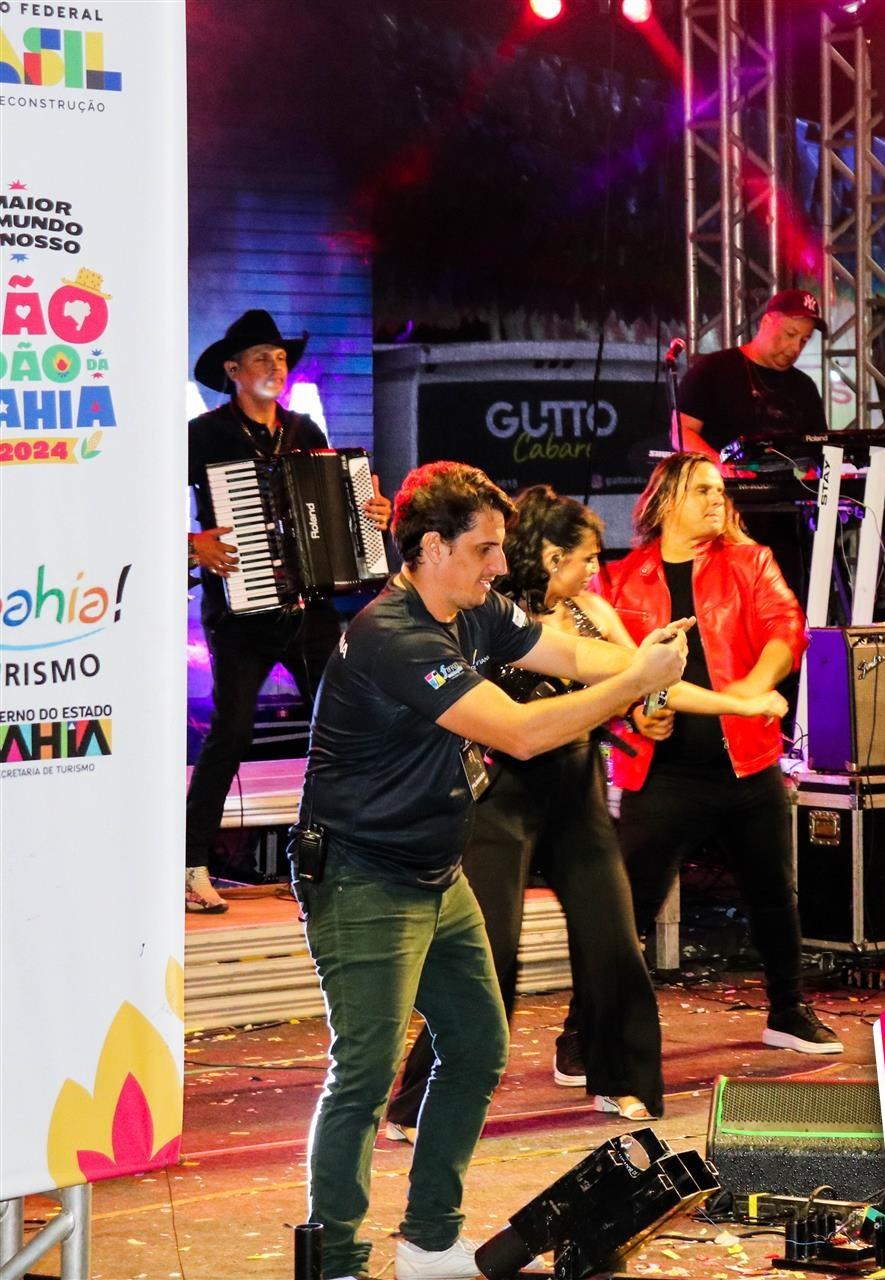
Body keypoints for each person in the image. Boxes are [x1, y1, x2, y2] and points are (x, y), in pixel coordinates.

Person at [297, 462, 688, 1280]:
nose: (501, 565)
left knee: (477, 1045)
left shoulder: (474, 609)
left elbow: (563, 650)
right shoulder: (395, 636)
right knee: (364, 1074)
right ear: (431, 548)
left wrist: (635, 664)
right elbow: (517, 732)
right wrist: (634, 685)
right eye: (485, 549)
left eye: (501, 548)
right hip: (364, 877)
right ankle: (334, 1260)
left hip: (434, 872)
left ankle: (429, 1242)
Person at [384, 486, 689, 1138]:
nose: (595, 570)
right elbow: (513, 728)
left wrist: (653, 689)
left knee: (613, 940)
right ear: (550, 555)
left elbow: (626, 675)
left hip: (576, 792)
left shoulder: (589, 612)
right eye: (585, 558)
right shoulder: (487, 612)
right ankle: (423, 1099)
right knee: (488, 953)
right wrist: (646, 683)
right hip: (500, 796)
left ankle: (623, 1078)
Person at [584, 451, 841, 1056]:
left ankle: (788, 1011)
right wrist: (638, 712)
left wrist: (748, 693)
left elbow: (787, 628)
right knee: (628, 905)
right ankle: (587, 1028)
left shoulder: (750, 562)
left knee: (773, 893)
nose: (717, 499)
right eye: (702, 489)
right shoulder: (621, 578)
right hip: (662, 771)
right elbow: (608, 671)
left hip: (746, 763)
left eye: (720, 490)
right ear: (665, 500)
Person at [184, 309, 390, 913]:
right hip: (240, 614)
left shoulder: (305, 430)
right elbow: (137, 500)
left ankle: (338, 856)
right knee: (232, 732)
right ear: (232, 370)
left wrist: (373, 516)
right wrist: (191, 545)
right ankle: (190, 864)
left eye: (280, 358)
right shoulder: (203, 435)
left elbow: (341, 510)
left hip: (310, 608)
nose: (276, 367)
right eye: (261, 358)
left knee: (345, 726)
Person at [671, 289, 826, 461]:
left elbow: (822, 448)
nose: (796, 347)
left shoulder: (804, 387)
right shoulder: (712, 370)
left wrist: (815, 471)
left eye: (804, 340)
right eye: (790, 334)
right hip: (719, 477)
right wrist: (719, 466)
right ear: (766, 322)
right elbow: (681, 433)